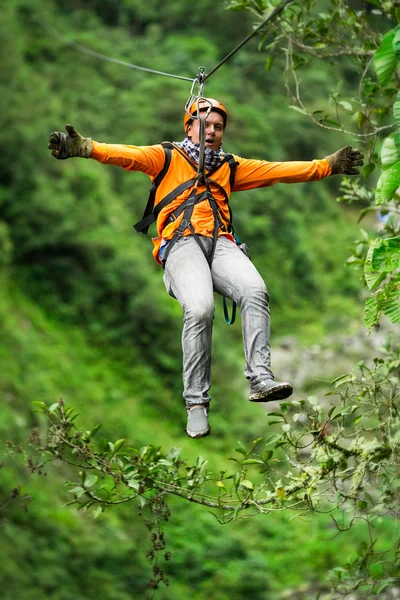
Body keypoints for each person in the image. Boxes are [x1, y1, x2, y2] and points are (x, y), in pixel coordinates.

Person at [48, 98, 364, 439]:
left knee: (255, 290)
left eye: (218, 127)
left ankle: (261, 378)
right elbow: (126, 154)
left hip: (221, 244)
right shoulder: (166, 156)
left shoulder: (229, 166)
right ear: (190, 127)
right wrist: (83, 148)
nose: (212, 131)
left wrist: (328, 165)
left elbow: (279, 171)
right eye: (205, 125)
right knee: (200, 309)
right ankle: (196, 404)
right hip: (181, 245)